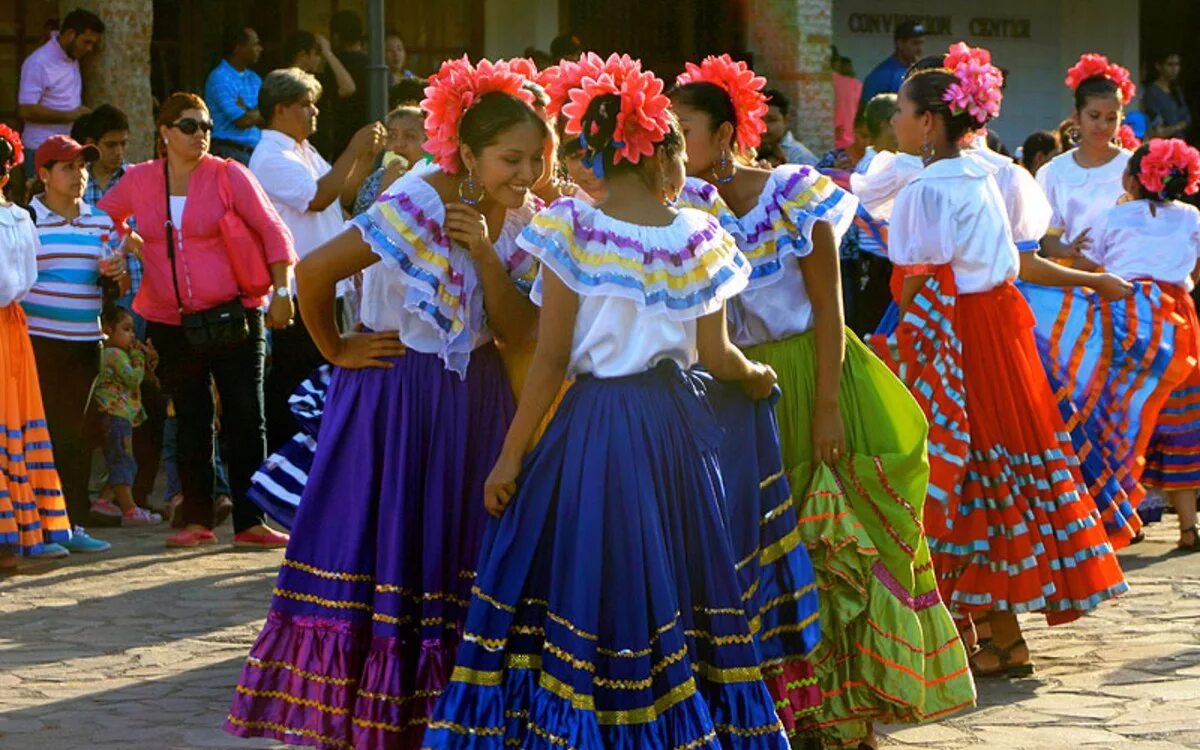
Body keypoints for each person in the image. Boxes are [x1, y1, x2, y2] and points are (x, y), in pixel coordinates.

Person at [425, 52, 800, 750]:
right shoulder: (698, 234)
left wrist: (511, 459)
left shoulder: (573, 230)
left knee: (591, 584)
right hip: (676, 432)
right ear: (661, 154)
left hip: (595, 429)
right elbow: (719, 357)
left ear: (598, 152)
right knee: (674, 585)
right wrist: (756, 378)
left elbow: (552, 359)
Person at [225, 57, 546, 747]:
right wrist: (338, 349)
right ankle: (388, 722)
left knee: (462, 561)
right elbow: (313, 272)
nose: (525, 174)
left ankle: (455, 719)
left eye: (537, 159)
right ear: (466, 152)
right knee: (396, 559)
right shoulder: (423, 199)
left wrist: (489, 256)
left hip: (477, 402)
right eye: (510, 158)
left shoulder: (523, 215)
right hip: (400, 399)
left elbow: (523, 330)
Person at [671, 54, 974, 748]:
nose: (671, 143)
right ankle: (794, 714)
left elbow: (828, 306)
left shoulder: (793, 191)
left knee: (835, 539)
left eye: (682, 129)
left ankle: (852, 716)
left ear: (724, 132)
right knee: (767, 549)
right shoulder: (682, 209)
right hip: (736, 389)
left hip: (817, 370)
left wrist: (830, 404)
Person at [879, 50, 1129, 680]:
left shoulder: (924, 189)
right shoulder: (985, 178)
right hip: (1000, 336)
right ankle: (998, 635)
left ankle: (990, 636)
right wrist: (1091, 283)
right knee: (997, 471)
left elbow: (914, 286)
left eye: (905, 113)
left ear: (931, 122)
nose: (897, 125)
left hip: (953, 338)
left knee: (958, 474)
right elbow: (1014, 266)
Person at [98, 92, 298, 549]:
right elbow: (103, 217)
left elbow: (274, 232)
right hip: (171, 320)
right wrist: (127, 246)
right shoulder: (142, 180)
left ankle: (251, 521)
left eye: (206, 126)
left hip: (236, 315)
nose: (201, 135)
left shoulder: (229, 175)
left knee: (247, 416)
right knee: (190, 417)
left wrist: (283, 292)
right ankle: (196, 519)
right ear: (165, 132)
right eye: (189, 126)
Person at [250, 67, 386, 452]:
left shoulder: (303, 149)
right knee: (297, 379)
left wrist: (366, 158)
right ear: (280, 110)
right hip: (297, 288)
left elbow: (342, 193)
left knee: (324, 376)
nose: (314, 112)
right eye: (305, 105)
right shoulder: (270, 155)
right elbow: (318, 198)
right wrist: (353, 147)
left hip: (329, 283)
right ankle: (284, 459)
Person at [1077, 140, 1200, 551]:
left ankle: (1124, 522)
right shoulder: (1191, 216)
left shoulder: (1113, 215)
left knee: (1125, 413)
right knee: (1181, 416)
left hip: (1127, 315)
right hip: (1179, 321)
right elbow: (1194, 272)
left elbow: (1088, 264)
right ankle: (1187, 527)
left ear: (1132, 179)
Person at [25, 134, 129, 556]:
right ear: (44, 174)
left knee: (77, 435)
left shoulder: (100, 221)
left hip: (86, 341)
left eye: (83, 167)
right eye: (67, 167)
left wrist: (116, 273)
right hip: (37, 342)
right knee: (40, 433)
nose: (79, 175)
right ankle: (34, 527)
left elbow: (115, 287)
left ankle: (71, 523)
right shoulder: (24, 221)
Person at [0, 125, 74, 570]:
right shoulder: (20, 218)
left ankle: (17, 531)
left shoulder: (19, 218)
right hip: (11, 324)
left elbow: (25, 278)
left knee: (12, 418)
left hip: (10, 327)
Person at [1039, 54, 1137, 261]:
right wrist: (1066, 250)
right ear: (1077, 116)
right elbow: (1046, 237)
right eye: (1094, 116)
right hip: (1071, 280)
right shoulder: (1055, 171)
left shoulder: (1134, 167)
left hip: (1125, 276)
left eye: (1111, 118)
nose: (1102, 126)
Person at [93, 306, 162, 526]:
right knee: (123, 462)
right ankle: (130, 510)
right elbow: (132, 379)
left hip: (120, 417)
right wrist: (138, 358)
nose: (132, 335)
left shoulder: (117, 353)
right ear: (108, 330)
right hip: (115, 416)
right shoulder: (113, 354)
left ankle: (104, 501)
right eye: (126, 329)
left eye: (133, 330)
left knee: (122, 461)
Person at [17, 8, 103, 153]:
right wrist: (70, 115)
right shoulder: (39, 62)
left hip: (68, 147)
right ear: (70, 34)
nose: (89, 49)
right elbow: (26, 109)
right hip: (41, 149)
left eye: (93, 44)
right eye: (86, 42)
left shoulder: (71, 55)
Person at [204, 27, 265, 166]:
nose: (260, 49)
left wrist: (251, 112)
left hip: (255, 150)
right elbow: (242, 121)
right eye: (255, 44)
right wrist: (256, 113)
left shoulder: (254, 78)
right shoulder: (220, 78)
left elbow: (270, 118)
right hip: (229, 151)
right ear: (238, 48)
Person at [352, 105, 425, 215]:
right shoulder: (374, 181)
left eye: (410, 136)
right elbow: (362, 224)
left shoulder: (434, 181)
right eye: (392, 136)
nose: (399, 144)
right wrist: (385, 188)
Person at [319, 10, 370, 158]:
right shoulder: (371, 62)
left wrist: (328, 54)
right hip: (370, 130)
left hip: (345, 135)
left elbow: (346, 90)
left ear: (335, 36)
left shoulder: (335, 64)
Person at [860, 19, 925, 106]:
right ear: (900, 44)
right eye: (915, 43)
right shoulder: (881, 75)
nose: (920, 49)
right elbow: (865, 111)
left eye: (921, 43)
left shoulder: (921, 72)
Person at [283, 30, 357, 102]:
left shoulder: (316, 80)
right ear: (302, 55)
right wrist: (328, 53)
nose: (319, 59)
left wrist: (328, 53)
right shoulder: (283, 82)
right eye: (316, 53)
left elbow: (349, 88)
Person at [759, 88, 818, 166]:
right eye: (759, 120)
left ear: (786, 120)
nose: (764, 127)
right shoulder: (746, 153)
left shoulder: (801, 158)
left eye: (771, 120)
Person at [1144, 51, 1191, 141]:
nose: (1174, 69)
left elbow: (1187, 118)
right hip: (1164, 144)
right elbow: (1158, 130)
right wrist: (1178, 126)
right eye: (1170, 65)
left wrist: (1178, 126)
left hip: (1180, 142)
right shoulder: (1152, 92)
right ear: (1158, 66)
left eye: (1177, 65)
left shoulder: (1177, 90)